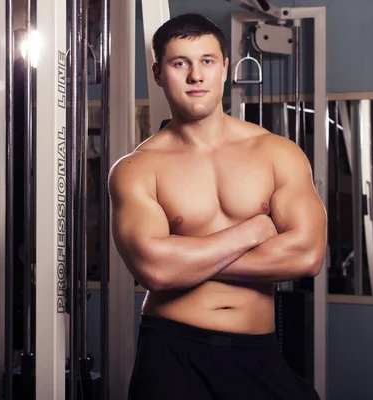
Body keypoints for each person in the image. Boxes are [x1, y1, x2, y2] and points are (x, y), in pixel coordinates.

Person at [108, 13, 327, 400]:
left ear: (225, 68)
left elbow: (307, 256)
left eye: (207, 61)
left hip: (255, 349)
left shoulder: (278, 153)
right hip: (170, 350)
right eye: (181, 63)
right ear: (159, 73)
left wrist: (185, 259)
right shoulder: (135, 169)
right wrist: (252, 231)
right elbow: (156, 271)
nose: (196, 76)